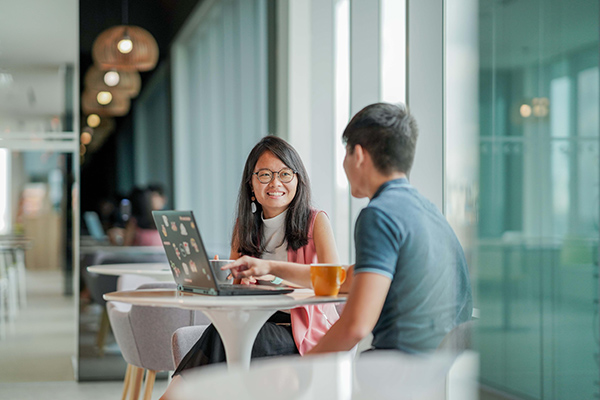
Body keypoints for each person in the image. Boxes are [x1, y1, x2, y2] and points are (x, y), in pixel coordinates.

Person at [225, 102, 473, 355]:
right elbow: (341, 279)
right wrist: (269, 267)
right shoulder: (426, 210)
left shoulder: (379, 215)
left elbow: (356, 326)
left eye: (345, 153)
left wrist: (306, 365)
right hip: (445, 368)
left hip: (400, 367)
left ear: (359, 155)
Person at [161, 136, 339, 399]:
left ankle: (172, 395)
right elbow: (237, 289)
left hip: (299, 330)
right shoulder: (244, 227)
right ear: (251, 185)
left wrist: (273, 272)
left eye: (285, 174)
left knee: (227, 339)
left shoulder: (316, 222)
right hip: (251, 323)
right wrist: (234, 282)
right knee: (226, 334)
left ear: (298, 180)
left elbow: (333, 283)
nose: (275, 182)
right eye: (265, 174)